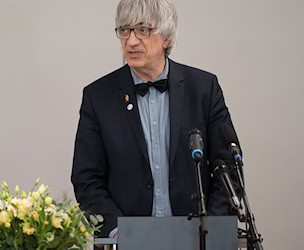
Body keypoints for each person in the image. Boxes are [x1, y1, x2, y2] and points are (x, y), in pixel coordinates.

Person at [71, 0, 240, 238]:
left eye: (143, 30)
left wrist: (209, 229)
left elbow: (229, 168)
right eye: (124, 30)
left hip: (196, 238)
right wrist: (117, 231)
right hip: (127, 240)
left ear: (167, 37)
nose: (131, 41)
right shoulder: (98, 96)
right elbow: (86, 178)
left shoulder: (203, 88)